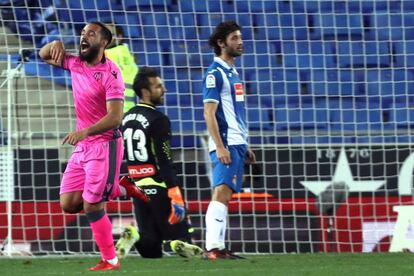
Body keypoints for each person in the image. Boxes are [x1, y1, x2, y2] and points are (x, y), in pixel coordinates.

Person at [39, 21, 148, 271]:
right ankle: (120, 186)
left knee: (91, 204)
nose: (83, 37)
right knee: (68, 204)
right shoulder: (75, 63)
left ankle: (110, 259)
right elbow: (43, 55)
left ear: (104, 43)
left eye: (91, 33)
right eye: (82, 33)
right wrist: (53, 44)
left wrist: (85, 131)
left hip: (105, 145)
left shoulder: (111, 74)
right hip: (83, 146)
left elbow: (115, 117)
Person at [115, 66, 203, 259]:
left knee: (151, 248)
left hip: (137, 186)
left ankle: (135, 235)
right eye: (158, 86)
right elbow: (164, 157)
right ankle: (179, 242)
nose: (163, 90)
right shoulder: (158, 119)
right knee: (177, 235)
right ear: (146, 92)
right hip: (158, 185)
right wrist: (174, 189)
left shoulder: (126, 118)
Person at [202, 21, 256, 260]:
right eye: (234, 38)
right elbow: (208, 113)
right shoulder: (215, 74)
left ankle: (218, 247)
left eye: (240, 37)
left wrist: (245, 144)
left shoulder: (232, 72)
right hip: (225, 143)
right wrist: (221, 146)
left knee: (226, 194)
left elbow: (235, 113)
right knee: (221, 192)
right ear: (221, 43)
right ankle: (213, 248)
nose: (240, 42)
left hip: (236, 142)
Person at [105, 23, 139, 113]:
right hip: (128, 109)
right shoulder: (128, 53)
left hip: (111, 111)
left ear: (119, 37)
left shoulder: (106, 54)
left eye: (110, 35)